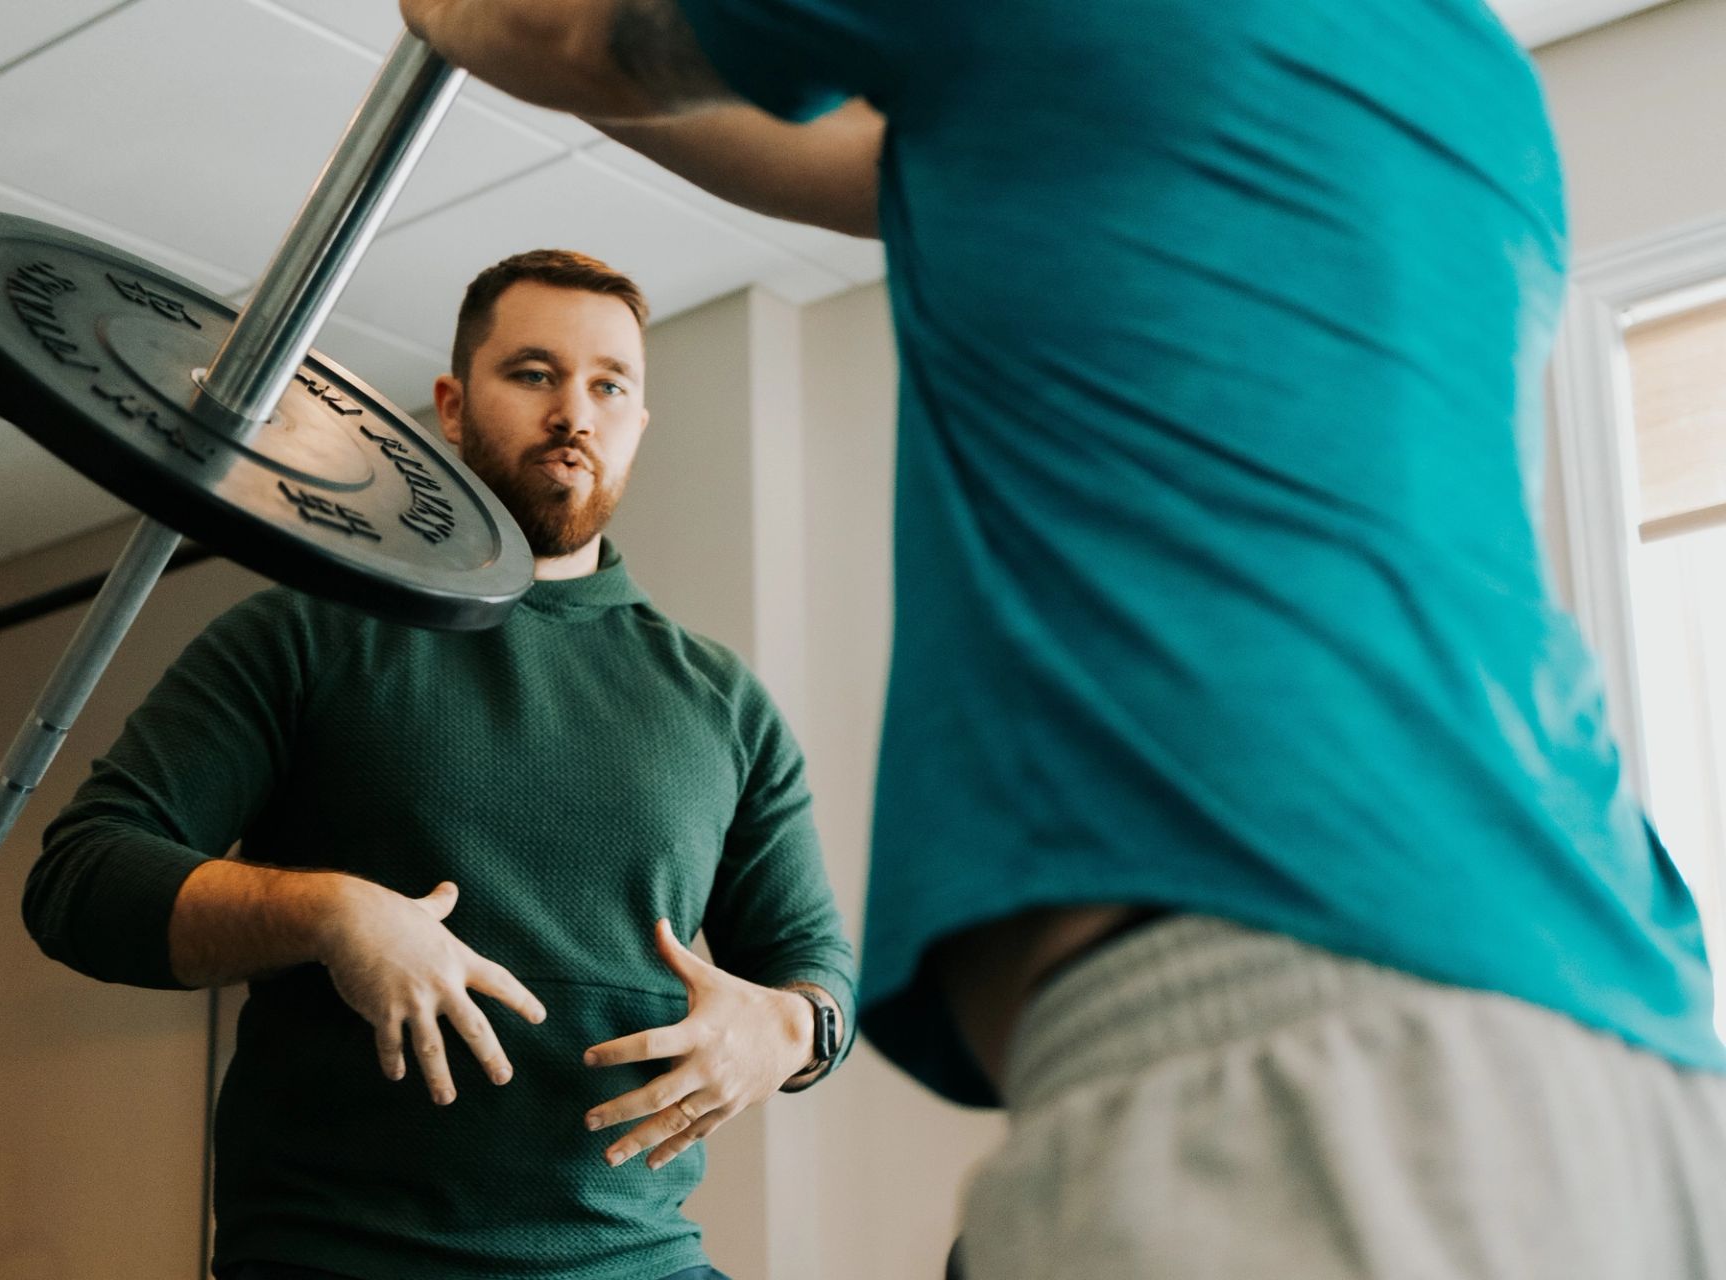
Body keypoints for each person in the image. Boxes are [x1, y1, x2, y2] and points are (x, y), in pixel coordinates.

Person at [395, 2, 1726, 1276]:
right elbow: (916, 157)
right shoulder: (1479, 73)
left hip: (1308, 1042)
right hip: (1640, 1047)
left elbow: (580, 30)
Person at [23, 249, 854, 1280]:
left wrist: (787, 1027)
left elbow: (818, 971)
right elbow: (80, 878)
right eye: (535, 373)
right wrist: (327, 911)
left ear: (639, 420)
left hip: (640, 1260)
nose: (575, 413)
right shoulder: (301, 636)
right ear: (453, 406)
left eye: (610, 385)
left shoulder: (726, 703)